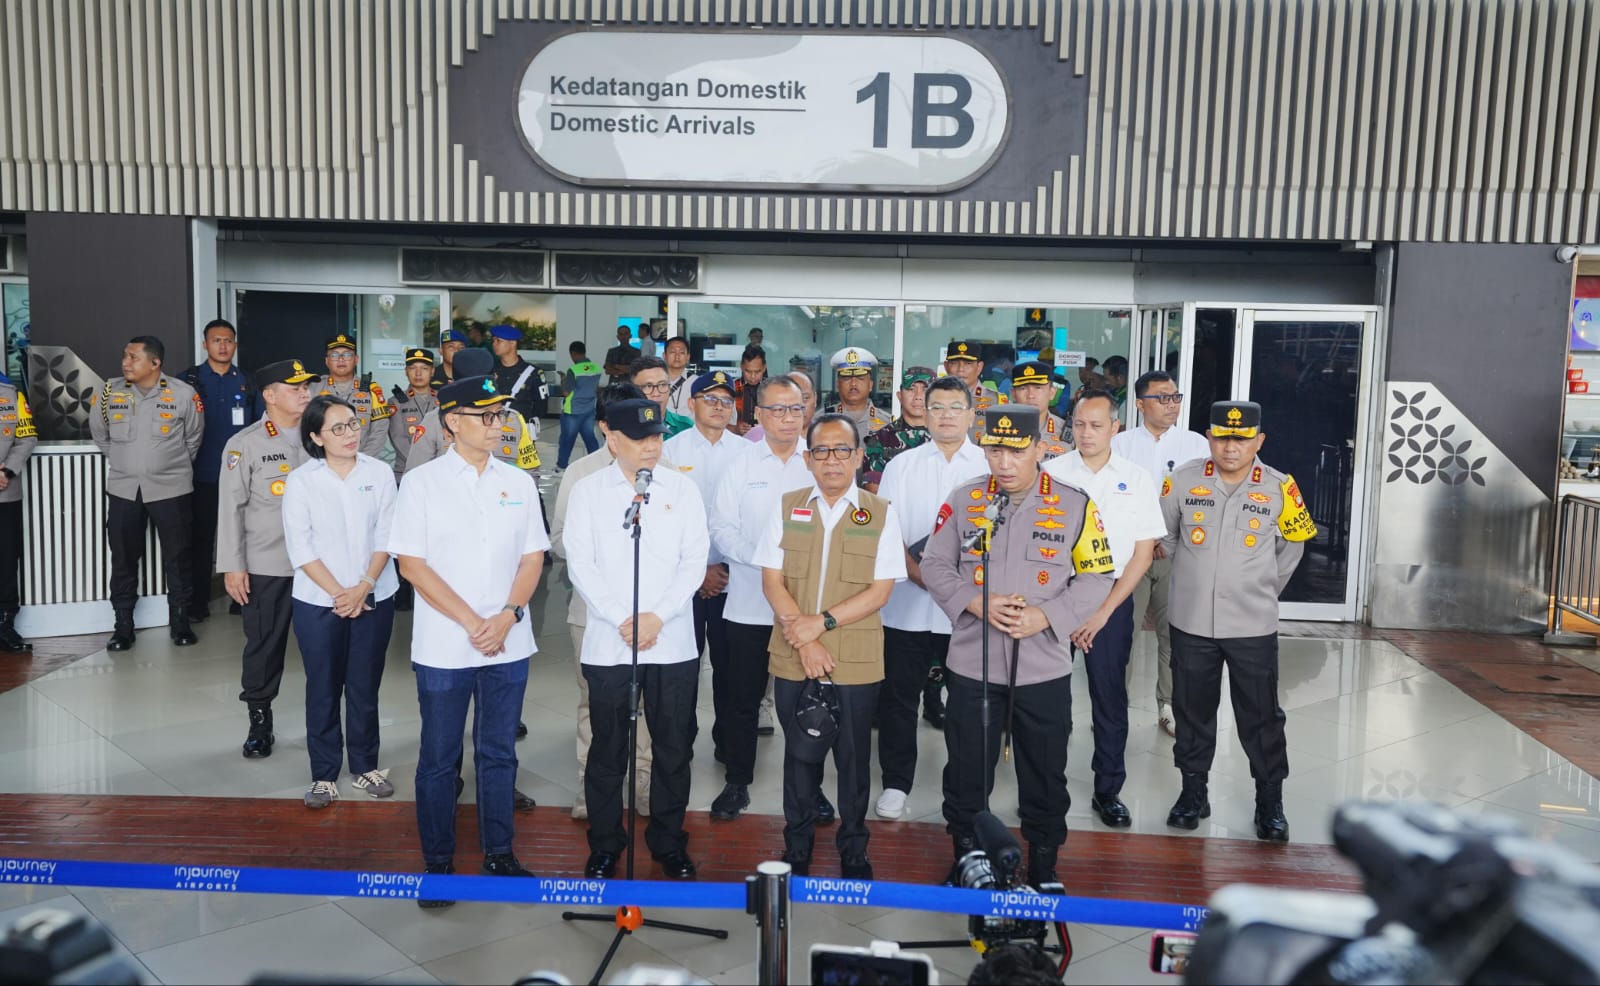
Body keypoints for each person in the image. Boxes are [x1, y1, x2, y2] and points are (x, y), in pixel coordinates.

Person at [920, 405, 1114, 887]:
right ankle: (968, 857)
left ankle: (1044, 863)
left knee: (1045, 773)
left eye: (1016, 451)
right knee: (966, 771)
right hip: (974, 662)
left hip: (1042, 667)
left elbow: (1097, 576)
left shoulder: (1075, 504)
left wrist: (1046, 616)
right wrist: (975, 603)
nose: (1003, 463)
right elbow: (934, 564)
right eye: (994, 450)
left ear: (1040, 448)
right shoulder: (965, 499)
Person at [390, 372, 550, 906]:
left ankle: (499, 853)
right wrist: (471, 621)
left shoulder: (518, 482)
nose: (497, 424)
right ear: (452, 422)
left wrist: (507, 615)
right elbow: (412, 565)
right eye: (486, 416)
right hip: (445, 644)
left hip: (508, 639)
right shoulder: (422, 483)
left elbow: (533, 557)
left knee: (498, 753)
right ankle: (438, 864)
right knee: (439, 757)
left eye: (500, 414)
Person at [565, 398, 708, 880]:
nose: (651, 446)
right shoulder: (588, 491)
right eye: (639, 438)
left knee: (673, 746)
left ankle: (668, 841)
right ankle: (605, 843)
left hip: (672, 640)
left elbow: (694, 561)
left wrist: (656, 617)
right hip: (611, 641)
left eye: (656, 437)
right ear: (611, 438)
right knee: (608, 747)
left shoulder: (682, 489)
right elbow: (581, 564)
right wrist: (622, 618)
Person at [757, 412, 904, 878]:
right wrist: (804, 642)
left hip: (855, 657)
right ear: (808, 459)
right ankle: (797, 844)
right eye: (821, 451)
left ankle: (854, 848)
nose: (832, 460)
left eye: (843, 450)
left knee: (854, 759)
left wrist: (819, 624)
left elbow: (880, 592)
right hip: (793, 653)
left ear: (859, 457)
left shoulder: (880, 513)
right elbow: (772, 580)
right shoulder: (787, 507)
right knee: (799, 755)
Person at [1162, 401, 1315, 843]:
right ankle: (1193, 794)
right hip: (1192, 621)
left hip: (1252, 625)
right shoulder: (1182, 480)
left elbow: (1294, 547)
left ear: (1259, 441)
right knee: (1191, 712)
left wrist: (1259, 587)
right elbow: (1166, 538)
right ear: (1210, 438)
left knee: (1261, 716)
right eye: (1223, 438)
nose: (1231, 447)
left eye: (1242, 439)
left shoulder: (1281, 487)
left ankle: (1270, 802)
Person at [1043, 389, 1164, 828]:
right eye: (1079, 424)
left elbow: (1143, 554)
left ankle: (1108, 790)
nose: (1086, 433)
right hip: (1056, 598)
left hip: (1111, 600)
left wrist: (1102, 613)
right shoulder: (1051, 473)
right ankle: (1045, 788)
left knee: (1109, 698)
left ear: (1115, 427)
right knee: (1049, 701)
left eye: (1096, 425)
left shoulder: (1136, 478)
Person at [873, 376, 987, 818]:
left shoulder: (989, 466)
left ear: (971, 414)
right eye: (937, 407)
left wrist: (955, 590)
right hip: (909, 605)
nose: (946, 416)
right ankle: (896, 783)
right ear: (925, 413)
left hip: (969, 609)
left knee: (967, 701)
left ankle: (964, 791)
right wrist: (924, 577)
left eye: (955, 407)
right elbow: (887, 534)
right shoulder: (902, 466)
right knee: (898, 700)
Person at [707, 375, 819, 821]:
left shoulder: (818, 460)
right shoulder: (740, 463)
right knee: (742, 698)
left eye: (795, 408)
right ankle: (737, 781)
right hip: (749, 603)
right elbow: (721, 527)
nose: (787, 418)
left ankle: (811, 788)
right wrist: (764, 560)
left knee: (809, 699)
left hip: (808, 606)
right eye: (777, 409)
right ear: (758, 414)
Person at [283, 396, 399, 809]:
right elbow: (301, 547)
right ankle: (324, 774)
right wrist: (340, 593)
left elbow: (387, 535)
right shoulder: (302, 481)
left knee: (365, 685)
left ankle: (366, 766)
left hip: (374, 596)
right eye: (337, 428)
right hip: (318, 601)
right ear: (316, 437)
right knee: (323, 687)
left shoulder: (379, 473)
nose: (350, 434)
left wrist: (363, 587)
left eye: (352, 424)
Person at [551, 382, 660, 821]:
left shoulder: (665, 469)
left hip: (651, 617)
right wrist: (603, 554)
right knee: (594, 703)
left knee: (647, 706)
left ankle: (643, 780)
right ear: (606, 429)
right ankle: (590, 785)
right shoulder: (582, 474)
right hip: (592, 613)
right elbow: (559, 540)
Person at [217, 359, 319, 758]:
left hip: (320, 567)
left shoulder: (323, 436)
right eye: (296, 387)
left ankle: (324, 723)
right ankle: (259, 720)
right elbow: (230, 508)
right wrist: (233, 565)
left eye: (307, 386)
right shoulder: (245, 444)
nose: (305, 393)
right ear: (270, 395)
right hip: (267, 564)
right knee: (263, 646)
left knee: (323, 650)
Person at [1111, 371, 1210, 737]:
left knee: (1174, 635)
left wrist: (1167, 539)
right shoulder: (1120, 445)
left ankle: (1168, 706)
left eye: (1175, 397)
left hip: (1176, 555)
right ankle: (1113, 707)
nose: (1172, 404)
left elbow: (1202, 499)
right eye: (1162, 398)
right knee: (1123, 634)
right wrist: (1142, 538)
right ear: (1140, 404)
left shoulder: (1196, 445)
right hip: (1130, 556)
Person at [90, 335, 205, 651]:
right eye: (125, 356)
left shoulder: (183, 394)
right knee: (123, 558)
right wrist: (128, 463)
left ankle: (180, 622)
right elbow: (100, 435)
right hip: (124, 490)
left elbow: (193, 438)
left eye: (133, 357)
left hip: (172, 489)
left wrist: (164, 465)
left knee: (178, 557)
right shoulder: (109, 391)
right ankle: (123, 626)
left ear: (155, 363)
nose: (125, 362)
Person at [662, 372, 741, 767]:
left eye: (726, 401)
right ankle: (681, 742)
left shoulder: (747, 453)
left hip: (733, 580)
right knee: (683, 669)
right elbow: (664, 522)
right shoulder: (669, 452)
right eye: (710, 399)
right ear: (691, 405)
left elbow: (751, 519)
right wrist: (698, 573)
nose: (719, 407)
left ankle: (729, 743)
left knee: (731, 670)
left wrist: (721, 567)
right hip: (683, 585)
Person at [180, 318, 261, 624]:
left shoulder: (248, 381)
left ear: (235, 345)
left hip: (242, 475)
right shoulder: (187, 381)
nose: (223, 346)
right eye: (216, 340)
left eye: (228, 340)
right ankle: (197, 603)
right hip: (202, 474)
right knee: (200, 540)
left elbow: (259, 427)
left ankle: (242, 600)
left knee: (245, 537)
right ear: (205, 344)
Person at [0, 372, 36, 652]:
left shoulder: (11, 393)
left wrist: (7, 471)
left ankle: (5, 625)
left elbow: (27, 437)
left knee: (6, 560)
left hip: (5, 493)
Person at [317, 334, 393, 459]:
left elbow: (379, 431)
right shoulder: (313, 389)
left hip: (361, 462)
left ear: (356, 359)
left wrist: (360, 462)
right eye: (334, 355)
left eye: (347, 354)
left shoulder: (372, 390)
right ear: (327, 361)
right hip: (322, 463)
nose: (341, 359)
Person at [860, 366, 933, 493]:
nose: (918, 396)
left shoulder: (947, 438)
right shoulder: (879, 440)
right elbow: (873, 490)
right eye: (911, 389)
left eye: (925, 390)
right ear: (899, 396)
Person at [387, 348, 439, 482]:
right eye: (412, 368)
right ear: (406, 371)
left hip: (439, 472)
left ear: (432, 371)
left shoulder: (443, 399)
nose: (418, 373)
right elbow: (398, 439)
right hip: (407, 472)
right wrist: (423, 464)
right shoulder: (396, 402)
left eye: (424, 368)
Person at [824, 347, 890, 442]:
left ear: (870, 385)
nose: (853, 383)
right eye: (847, 378)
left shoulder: (887, 422)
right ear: (838, 385)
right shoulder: (821, 419)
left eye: (860, 378)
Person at [944, 340, 1004, 442]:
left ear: (979, 367)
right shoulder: (935, 399)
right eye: (954, 363)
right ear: (946, 366)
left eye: (968, 363)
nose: (961, 369)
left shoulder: (997, 401)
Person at [1010, 361, 1071, 460]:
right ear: (1013, 394)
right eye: (1023, 388)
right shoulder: (997, 430)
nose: (1030, 395)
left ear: (1052, 393)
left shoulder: (1067, 433)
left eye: (1038, 388)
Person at [488, 324, 546, 429]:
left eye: (498, 341)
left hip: (522, 430)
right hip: (493, 429)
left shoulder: (533, 373)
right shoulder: (489, 371)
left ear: (513, 343)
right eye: (493, 340)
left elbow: (541, 406)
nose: (494, 344)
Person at [559, 340, 604, 469]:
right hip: (589, 409)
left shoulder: (573, 370)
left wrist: (563, 380)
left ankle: (561, 466)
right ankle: (597, 465)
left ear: (573, 353)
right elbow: (595, 387)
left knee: (567, 440)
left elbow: (566, 392)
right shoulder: (596, 368)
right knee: (590, 438)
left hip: (572, 410)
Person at [629, 356, 693, 436]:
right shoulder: (622, 428)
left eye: (662, 385)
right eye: (648, 386)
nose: (656, 394)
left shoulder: (686, 427)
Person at [732, 344, 767, 436]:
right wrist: (734, 428)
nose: (753, 376)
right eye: (748, 371)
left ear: (764, 368)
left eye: (757, 371)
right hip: (737, 440)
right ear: (741, 367)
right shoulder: (731, 388)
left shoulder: (772, 389)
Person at [662, 336, 695, 416]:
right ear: (664, 356)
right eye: (673, 352)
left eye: (682, 352)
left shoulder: (696, 382)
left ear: (688, 357)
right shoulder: (655, 381)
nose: (677, 356)